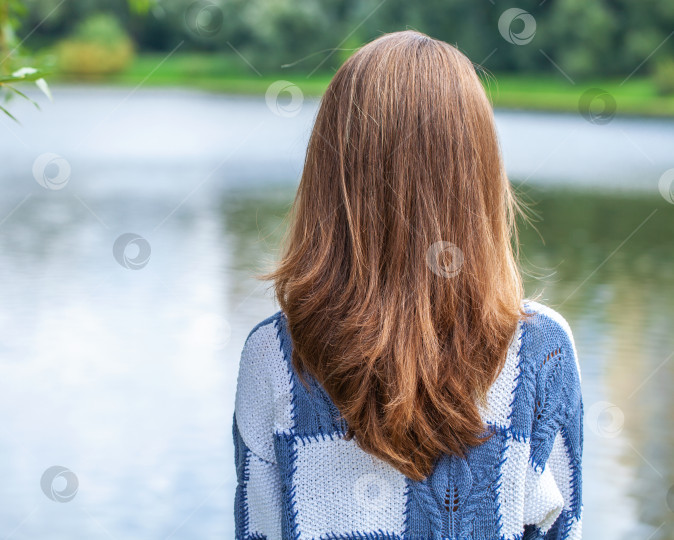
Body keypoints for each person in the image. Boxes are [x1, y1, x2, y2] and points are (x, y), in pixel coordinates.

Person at [232, 30, 584, 539]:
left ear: (330, 173)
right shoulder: (541, 349)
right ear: (478, 174)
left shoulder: (272, 355)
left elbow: (257, 530)